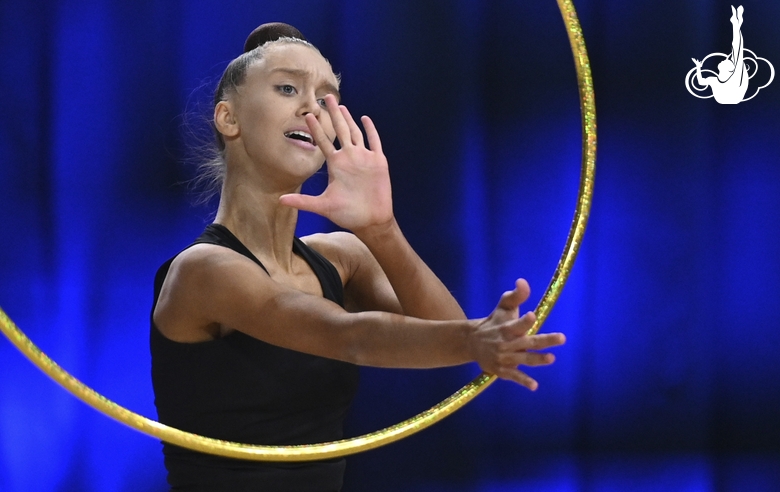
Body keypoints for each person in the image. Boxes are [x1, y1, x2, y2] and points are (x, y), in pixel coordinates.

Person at [150, 22, 566, 491]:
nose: (311, 107)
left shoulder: (342, 256)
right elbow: (346, 337)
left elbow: (441, 332)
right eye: (287, 88)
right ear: (229, 119)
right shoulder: (202, 271)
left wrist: (381, 229)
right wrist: (474, 338)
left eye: (326, 99)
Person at [692, 5, 748, 104]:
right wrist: (698, 67)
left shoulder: (732, 78)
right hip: (728, 97)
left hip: (732, 96)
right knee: (737, 52)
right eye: (728, 61)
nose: (725, 59)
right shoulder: (715, 80)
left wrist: (698, 68)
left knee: (737, 51)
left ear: (729, 69)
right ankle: (736, 23)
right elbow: (701, 82)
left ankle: (736, 23)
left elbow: (737, 49)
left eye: (727, 61)